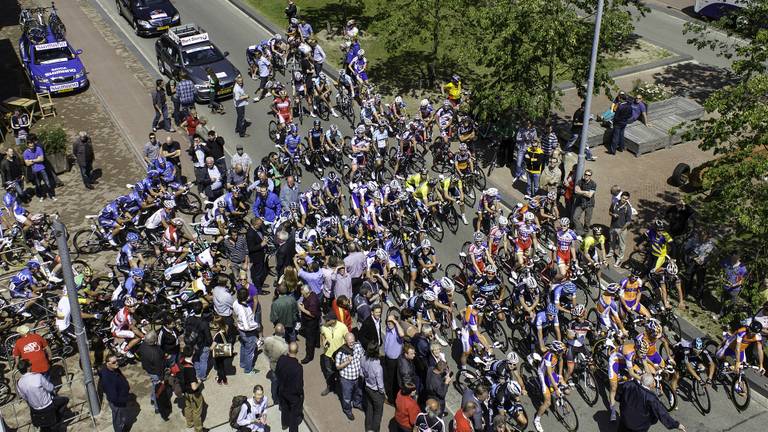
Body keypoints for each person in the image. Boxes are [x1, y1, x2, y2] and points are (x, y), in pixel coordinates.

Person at [615, 373, 686, 432]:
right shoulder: (651, 398)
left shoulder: (628, 384)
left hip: (624, 419)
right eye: (653, 382)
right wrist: (676, 425)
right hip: (639, 427)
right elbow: (662, 413)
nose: (654, 383)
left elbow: (618, 397)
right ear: (650, 385)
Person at [16, 359, 69, 432]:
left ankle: (50, 422)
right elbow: (50, 388)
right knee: (65, 400)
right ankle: (57, 418)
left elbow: (24, 397)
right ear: (28, 368)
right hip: (48, 405)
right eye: (30, 364)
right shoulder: (38, 376)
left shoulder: (19, 383)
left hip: (35, 409)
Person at [335, 332, 365, 420]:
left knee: (358, 392)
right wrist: (347, 362)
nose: (352, 344)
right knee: (347, 397)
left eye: (353, 341)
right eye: (350, 342)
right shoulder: (341, 352)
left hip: (358, 377)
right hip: (346, 380)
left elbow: (362, 355)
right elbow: (337, 366)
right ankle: (347, 410)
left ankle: (357, 404)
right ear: (345, 341)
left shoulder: (358, 346)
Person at [275, 342, 304, 432]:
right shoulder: (298, 367)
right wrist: (300, 394)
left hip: (282, 389)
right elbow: (299, 384)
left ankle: (284, 424)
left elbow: (276, 372)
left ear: (288, 350)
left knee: (284, 408)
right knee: (294, 415)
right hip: (292, 394)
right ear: (297, 351)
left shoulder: (281, 359)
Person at [98, 354, 131, 432]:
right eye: (114, 362)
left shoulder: (114, 368)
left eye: (117, 361)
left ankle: (122, 426)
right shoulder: (107, 378)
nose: (117, 363)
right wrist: (124, 400)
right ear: (108, 364)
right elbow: (113, 397)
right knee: (118, 418)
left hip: (121, 398)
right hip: (118, 403)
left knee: (121, 417)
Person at [136, 332, 165, 417]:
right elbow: (159, 367)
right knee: (157, 389)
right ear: (154, 341)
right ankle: (157, 407)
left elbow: (137, 354)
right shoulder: (156, 352)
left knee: (154, 385)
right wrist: (162, 378)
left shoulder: (143, 345)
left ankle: (152, 398)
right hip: (155, 372)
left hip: (148, 369)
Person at [320, 311, 349, 396]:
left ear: (333, 320)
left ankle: (342, 390)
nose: (325, 321)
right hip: (328, 354)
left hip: (339, 355)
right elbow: (322, 335)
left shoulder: (342, 327)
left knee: (341, 373)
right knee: (329, 372)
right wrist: (323, 341)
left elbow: (347, 339)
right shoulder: (324, 327)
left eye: (327, 320)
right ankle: (330, 387)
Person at [233, 287, 261, 374]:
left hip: (241, 331)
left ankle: (242, 363)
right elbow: (247, 327)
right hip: (247, 333)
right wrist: (257, 325)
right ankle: (248, 370)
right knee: (250, 352)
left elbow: (235, 315)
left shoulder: (235, 303)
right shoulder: (243, 310)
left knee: (243, 346)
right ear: (247, 297)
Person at [179, 346, 205, 432]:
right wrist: (200, 381)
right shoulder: (190, 369)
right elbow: (194, 387)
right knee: (197, 412)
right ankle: (198, 429)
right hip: (193, 394)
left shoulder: (181, 361)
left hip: (185, 391)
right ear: (193, 353)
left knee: (188, 407)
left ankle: (189, 423)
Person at [184, 302, 212, 381]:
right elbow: (208, 336)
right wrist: (210, 344)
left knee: (196, 358)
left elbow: (186, 330)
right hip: (202, 344)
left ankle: (196, 373)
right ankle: (202, 376)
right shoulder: (204, 322)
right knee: (203, 360)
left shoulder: (189, 319)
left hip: (192, 343)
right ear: (202, 310)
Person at [22, 136, 56, 202]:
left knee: (47, 182)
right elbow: (27, 164)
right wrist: (37, 159)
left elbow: (42, 159)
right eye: (30, 144)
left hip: (42, 168)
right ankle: (42, 196)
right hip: (34, 171)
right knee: (38, 185)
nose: (32, 145)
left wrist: (32, 160)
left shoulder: (38, 149)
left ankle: (52, 195)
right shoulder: (25, 153)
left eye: (32, 143)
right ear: (27, 145)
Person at [361, 342, 385, 432]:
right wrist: (382, 393)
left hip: (367, 387)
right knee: (378, 413)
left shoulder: (363, 359)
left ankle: (368, 429)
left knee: (370, 409)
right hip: (376, 392)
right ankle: (374, 430)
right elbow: (380, 384)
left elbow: (361, 373)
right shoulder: (378, 367)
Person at [264, 324, 289, 403]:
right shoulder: (284, 346)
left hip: (272, 365)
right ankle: (279, 397)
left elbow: (265, 352)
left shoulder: (268, 340)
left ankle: (274, 398)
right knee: (281, 383)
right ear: (283, 332)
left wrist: (271, 358)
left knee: (274, 383)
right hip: (280, 368)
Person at [298, 284, 321, 363]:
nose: (302, 295)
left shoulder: (312, 301)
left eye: (303, 293)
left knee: (309, 340)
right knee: (316, 331)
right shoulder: (312, 294)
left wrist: (302, 309)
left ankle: (309, 356)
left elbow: (312, 314)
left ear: (307, 293)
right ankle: (317, 343)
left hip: (311, 321)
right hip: (314, 320)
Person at [609, 190, 633, 265]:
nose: (624, 200)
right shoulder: (615, 203)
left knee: (621, 245)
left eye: (626, 199)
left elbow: (628, 221)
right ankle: (611, 252)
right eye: (623, 198)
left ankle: (619, 259)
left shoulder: (628, 208)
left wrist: (622, 230)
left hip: (621, 229)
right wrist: (613, 215)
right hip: (613, 226)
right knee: (612, 241)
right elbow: (609, 211)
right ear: (621, 197)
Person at [572, 169, 596, 234]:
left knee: (587, 221)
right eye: (585, 174)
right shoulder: (580, 181)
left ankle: (586, 232)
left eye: (589, 175)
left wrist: (580, 192)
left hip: (589, 204)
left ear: (591, 176)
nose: (587, 176)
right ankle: (580, 231)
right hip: (581, 203)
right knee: (575, 217)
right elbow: (576, 191)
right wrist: (585, 192)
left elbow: (590, 195)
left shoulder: (593, 184)